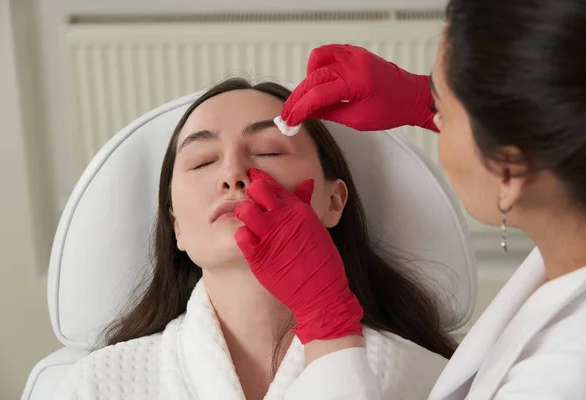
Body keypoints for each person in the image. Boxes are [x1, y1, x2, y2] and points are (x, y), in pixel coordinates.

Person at [53, 78, 457, 400]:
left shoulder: (431, 383)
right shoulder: (98, 386)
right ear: (176, 226)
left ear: (333, 202)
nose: (234, 174)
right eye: (203, 161)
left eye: (269, 152)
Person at [273, 1, 586, 399]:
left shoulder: (567, 375)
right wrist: (421, 98)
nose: (234, 178)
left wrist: (327, 323)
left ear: (510, 172)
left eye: (441, 109)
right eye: (202, 160)